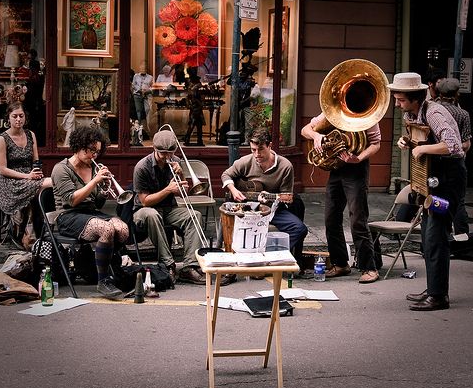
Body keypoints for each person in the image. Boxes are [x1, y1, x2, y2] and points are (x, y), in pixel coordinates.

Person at [391, 72, 466, 311]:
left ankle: (438, 296)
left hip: (448, 180)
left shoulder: (434, 112)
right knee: (427, 235)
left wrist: (423, 151)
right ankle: (433, 287)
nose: (397, 104)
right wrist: (405, 142)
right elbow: (419, 141)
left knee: (436, 236)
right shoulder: (412, 113)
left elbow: (454, 146)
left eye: (401, 99)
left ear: (415, 98)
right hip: (432, 180)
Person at [301, 107, 381, 284]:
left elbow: (376, 143)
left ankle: (370, 268)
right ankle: (340, 263)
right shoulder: (333, 111)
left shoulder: (368, 115)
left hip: (357, 168)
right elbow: (304, 130)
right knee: (331, 217)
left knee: (357, 219)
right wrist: (316, 136)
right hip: (337, 168)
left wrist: (359, 157)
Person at [51, 126, 129, 300]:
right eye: (91, 150)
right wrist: (95, 181)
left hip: (90, 213)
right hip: (68, 216)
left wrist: (103, 190)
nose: (94, 155)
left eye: (98, 152)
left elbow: (98, 204)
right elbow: (72, 200)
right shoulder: (61, 169)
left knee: (122, 228)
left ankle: (106, 269)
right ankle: (103, 281)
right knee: (106, 229)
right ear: (79, 145)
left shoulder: (93, 167)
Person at [221, 128, 308, 274]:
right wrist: (234, 190)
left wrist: (271, 197)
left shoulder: (285, 166)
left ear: (270, 145)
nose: (257, 154)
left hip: (273, 209)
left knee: (299, 229)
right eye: (253, 150)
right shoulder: (246, 161)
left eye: (260, 149)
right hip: (247, 209)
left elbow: (287, 196)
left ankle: (272, 260)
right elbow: (226, 174)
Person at [132, 129, 207, 285]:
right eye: (163, 154)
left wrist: (181, 175)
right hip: (143, 211)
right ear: (154, 149)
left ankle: (189, 267)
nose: (167, 158)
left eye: (170, 153)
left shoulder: (175, 161)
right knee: (152, 215)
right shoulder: (142, 167)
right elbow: (145, 201)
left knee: (194, 215)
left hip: (168, 208)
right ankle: (167, 264)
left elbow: (184, 195)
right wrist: (167, 190)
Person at [0, 101, 52, 240]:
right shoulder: (2, 139)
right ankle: (38, 228)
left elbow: (36, 161)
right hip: (11, 182)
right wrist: (27, 176)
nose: (18, 119)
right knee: (51, 183)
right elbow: (2, 169)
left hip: (30, 177)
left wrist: (37, 172)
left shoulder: (30, 134)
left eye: (21, 115)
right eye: (15, 116)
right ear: (8, 117)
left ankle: (40, 228)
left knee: (47, 188)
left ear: (25, 117)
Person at [434, 77, 471, 239]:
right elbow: (466, 143)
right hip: (455, 163)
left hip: (435, 162)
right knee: (458, 200)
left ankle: (442, 234)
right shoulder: (463, 114)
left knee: (437, 198)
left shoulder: (431, 111)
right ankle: (462, 238)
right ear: (456, 94)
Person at [22, 48, 46, 147]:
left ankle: (33, 142)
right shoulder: (38, 79)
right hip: (36, 104)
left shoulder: (32, 80)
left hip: (33, 105)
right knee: (35, 125)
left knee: (32, 124)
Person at [131, 62, 153, 140]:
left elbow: (152, 87)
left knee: (147, 110)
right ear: (139, 69)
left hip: (146, 96)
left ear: (146, 69)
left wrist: (146, 91)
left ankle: (146, 128)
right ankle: (139, 128)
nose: (143, 70)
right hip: (137, 95)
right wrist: (139, 90)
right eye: (141, 68)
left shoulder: (150, 77)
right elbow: (133, 85)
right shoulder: (136, 76)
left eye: (144, 69)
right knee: (139, 111)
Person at [183, 73, 205, 146]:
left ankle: (196, 140)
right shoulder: (195, 88)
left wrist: (190, 104)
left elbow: (188, 98)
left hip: (196, 108)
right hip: (196, 108)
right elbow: (189, 98)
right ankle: (191, 140)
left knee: (196, 125)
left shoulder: (193, 88)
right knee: (194, 125)